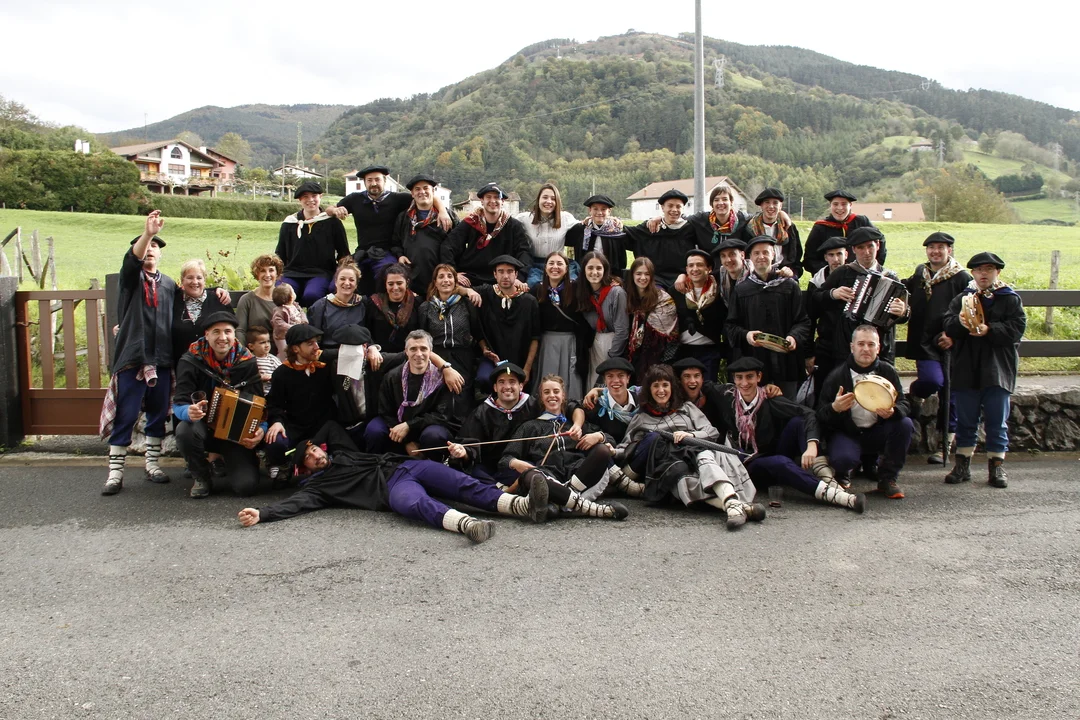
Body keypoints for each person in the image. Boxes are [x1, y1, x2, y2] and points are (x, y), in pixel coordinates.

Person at [237, 421, 550, 544]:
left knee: (461, 483)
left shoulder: (341, 450)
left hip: (407, 465)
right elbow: (296, 503)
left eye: (315, 450)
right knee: (413, 503)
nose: (316, 455)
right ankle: (468, 525)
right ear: (304, 469)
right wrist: (263, 513)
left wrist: (304, 442)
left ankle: (523, 507)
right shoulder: (320, 487)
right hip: (391, 488)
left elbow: (330, 426)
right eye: (308, 458)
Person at [609, 364, 764, 530]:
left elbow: (711, 432)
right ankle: (737, 505)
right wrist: (612, 451)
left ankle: (732, 504)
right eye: (656, 386)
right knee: (682, 482)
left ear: (672, 387)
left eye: (665, 385)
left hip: (695, 452)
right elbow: (627, 447)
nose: (661, 390)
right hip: (668, 466)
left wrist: (691, 435)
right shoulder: (641, 417)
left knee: (703, 456)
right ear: (649, 389)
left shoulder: (686, 407)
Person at [716, 357, 865, 513]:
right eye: (739, 377)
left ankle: (824, 474)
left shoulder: (769, 398)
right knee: (781, 463)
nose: (744, 383)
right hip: (749, 465)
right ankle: (840, 497)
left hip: (771, 453)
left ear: (759, 377)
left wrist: (812, 445)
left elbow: (809, 414)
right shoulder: (726, 396)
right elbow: (701, 385)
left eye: (749, 377)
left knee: (798, 421)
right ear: (734, 379)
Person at [100, 211, 176, 495]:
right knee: (127, 412)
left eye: (156, 246)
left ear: (161, 255)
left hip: (162, 358)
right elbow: (132, 261)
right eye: (147, 246)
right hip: (133, 357)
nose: (151, 249)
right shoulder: (131, 279)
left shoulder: (169, 285)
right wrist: (148, 233)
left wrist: (217, 293)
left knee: (157, 413)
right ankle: (115, 473)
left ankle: (152, 464)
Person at [942, 252, 1026, 488]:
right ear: (973, 273)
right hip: (967, 367)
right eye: (979, 270)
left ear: (997, 272)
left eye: (988, 269)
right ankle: (962, 465)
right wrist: (961, 322)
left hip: (997, 368)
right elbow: (947, 324)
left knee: (997, 421)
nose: (983, 274)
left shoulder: (1009, 299)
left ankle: (996, 467)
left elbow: (1017, 328)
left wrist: (989, 330)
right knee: (966, 420)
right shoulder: (962, 298)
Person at [499, 374, 629, 519]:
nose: (552, 395)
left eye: (556, 391)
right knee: (530, 476)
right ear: (541, 398)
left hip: (579, 472)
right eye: (546, 392)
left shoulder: (574, 425)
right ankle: (593, 509)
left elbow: (611, 441)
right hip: (549, 474)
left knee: (602, 451)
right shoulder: (530, 427)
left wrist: (598, 436)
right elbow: (505, 458)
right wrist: (515, 462)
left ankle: (562, 498)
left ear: (563, 395)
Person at [172, 311, 266, 498]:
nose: (222, 337)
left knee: (246, 487)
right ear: (206, 335)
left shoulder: (246, 362)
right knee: (185, 430)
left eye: (227, 331)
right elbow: (179, 403)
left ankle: (237, 461)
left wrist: (261, 429)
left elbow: (260, 404)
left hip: (234, 435)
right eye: (216, 332)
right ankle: (201, 475)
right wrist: (188, 411)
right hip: (204, 429)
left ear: (234, 334)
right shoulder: (191, 360)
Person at [816, 325, 914, 500]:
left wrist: (894, 411)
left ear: (878, 348)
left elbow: (905, 403)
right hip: (848, 433)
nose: (866, 349)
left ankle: (888, 478)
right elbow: (820, 414)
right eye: (861, 344)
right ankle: (843, 471)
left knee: (904, 424)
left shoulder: (887, 371)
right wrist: (834, 408)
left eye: (871, 344)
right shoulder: (837, 376)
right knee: (843, 459)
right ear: (852, 347)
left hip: (878, 431)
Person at [902, 232, 972, 463]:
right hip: (924, 342)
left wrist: (954, 335)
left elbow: (970, 311)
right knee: (932, 381)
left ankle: (945, 445)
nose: (935, 252)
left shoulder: (962, 278)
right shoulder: (920, 273)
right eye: (931, 247)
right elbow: (905, 290)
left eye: (940, 247)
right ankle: (917, 393)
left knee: (950, 394)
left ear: (949, 250)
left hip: (951, 344)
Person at [329, 165, 451, 295]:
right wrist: (335, 210)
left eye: (377, 179)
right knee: (335, 286)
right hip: (362, 252)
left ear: (385, 180)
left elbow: (425, 196)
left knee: (385, 281)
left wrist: (442, 211)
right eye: (369, 180)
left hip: (387, 253)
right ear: (364, 182)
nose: (374, 183)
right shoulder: (355, 199)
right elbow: (330, 209)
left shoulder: (397, 199)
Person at [725, 236, 810, 398]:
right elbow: (731, 326)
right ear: (749, 258)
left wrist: (794, 337)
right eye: (756, 253)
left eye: (765, 252)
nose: (761, 256)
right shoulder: (742, 290)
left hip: (786, 362)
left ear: (774, 254)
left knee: (787, 406)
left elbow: (803, 321)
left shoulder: (789, 286)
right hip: (755, 361)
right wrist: (746, 335)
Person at [815, 226, 909, 365]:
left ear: (878, 245)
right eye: (860, 247)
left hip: (881, 347)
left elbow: (904, 315)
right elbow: (816, 298)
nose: (866, 252)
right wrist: (832, 294)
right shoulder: (842, 273)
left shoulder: (891, 277)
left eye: (870, 246)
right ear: (853, 250)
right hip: (846, 346)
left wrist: (903, 311)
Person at [364, 330, 458, 457]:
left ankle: (433, 464)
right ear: (406, 351)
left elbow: (442, 416)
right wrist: (406, 441)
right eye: (413, 349)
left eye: (423, 349)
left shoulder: (442, 379)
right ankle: (375, 463)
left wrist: (410, 425)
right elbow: (385, 411)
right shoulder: (392, 377)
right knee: (374, 429)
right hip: (397, 424)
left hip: (427, 426)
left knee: (433, 435)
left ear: (430, 351)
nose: (418, 354)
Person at [455, 362, 543, 485]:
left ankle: (496, 489)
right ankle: (498, 488)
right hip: (490, 467)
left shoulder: (534, 405)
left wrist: (574, 422)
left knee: (531, 470)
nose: (507, 387)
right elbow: (469, 443)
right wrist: (464, 453)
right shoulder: (482, 412)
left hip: (518, 465)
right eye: (501, 382)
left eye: (512, 382)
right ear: (495, 387)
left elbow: (562, 408)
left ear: (521, 386)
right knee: (472, 471)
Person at [418, 263, 485, 413]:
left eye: (450, 276)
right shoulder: (425, 308)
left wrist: (485, 349)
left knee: (462, 397)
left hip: (463, 355)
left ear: (455, 281)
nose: (446, 280)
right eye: (441, 277)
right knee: (441, 398)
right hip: (437, 356)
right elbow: (422, 337)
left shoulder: (466, 304)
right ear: (435, 282)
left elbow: (477, 331)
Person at [275, 180, 350, 307]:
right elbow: (280, 253)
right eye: (305, 197)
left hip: (320, 273)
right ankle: (288, 319)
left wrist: (340, 273)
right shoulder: (289, 223)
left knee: (312, 295)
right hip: (292, 272)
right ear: (300, 200)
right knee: (282, 295)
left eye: (314, 196)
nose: (310, 200)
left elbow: (343, 253)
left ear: (320, 197)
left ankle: (313, 320)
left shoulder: (332, 223)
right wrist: (275, 274)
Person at [441, 182, 532, 288]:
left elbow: (524, 252)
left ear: (502, 201)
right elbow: (448, 246)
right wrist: (452, 272)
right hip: (471, 277)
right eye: (488, 197)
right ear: (482, 201)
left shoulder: (513, 225)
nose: (493, 201)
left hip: (502, 278)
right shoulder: (470, 222)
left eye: (496, 197)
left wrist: (519, 277)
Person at [474, 256, 541, 391]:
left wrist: (527, 369)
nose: (505, 276)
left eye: (510, 271)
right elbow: (456, 288)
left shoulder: (529, 301)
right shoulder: (486, 293)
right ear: (495, 274)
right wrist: (468, 291)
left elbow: (535, 337)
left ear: (516, 275)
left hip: (519, 360)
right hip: (493, 359)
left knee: (517, 389)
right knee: (484, 379)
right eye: (501, 271)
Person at [531, 252, 590, 399]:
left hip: (569, 342)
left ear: (566, 268)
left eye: (559, 264)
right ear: (545, 268)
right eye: (551, 263)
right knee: (547, 376)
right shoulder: (537, 290)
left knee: (569, 378)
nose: (555, 267)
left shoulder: (576, 289)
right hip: (547, 342)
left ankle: (571, 407)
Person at [390, 174, 458, 296]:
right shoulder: (404, 218)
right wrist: (400, 255)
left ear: (433, 191)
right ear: (412, 194)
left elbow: (459, 247)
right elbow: (395, 242)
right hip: (412, 279)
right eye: (417, 189)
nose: (422, 192)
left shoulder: (448, 217)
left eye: (426, 188)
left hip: (441, 281)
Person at [625, 188, 699, 289]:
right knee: (658, 296)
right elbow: (628, 233)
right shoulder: (651, 227)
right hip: (655, 279)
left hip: (682, 278)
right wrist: (614, 223)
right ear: (662, 207)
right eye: (670, 206)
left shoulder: (690, 229)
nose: (674, 210)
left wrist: (685, 275)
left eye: (678, 206)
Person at [806, 236, 851, 403]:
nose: (836, 259)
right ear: (825, 257)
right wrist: (809, 353)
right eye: (831, 255)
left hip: (849, 346)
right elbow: (809, 319)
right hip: (826, 344)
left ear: (846, 254)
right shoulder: (817, 282)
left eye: (839, 254)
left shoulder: (854, 278)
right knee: (823, 390)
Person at [670, 249, 726, 382]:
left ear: (709, 268)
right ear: (686, 269)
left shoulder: (719, 290)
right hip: (683, 350)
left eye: (699, 265)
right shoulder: (677, 290)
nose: (695, 269)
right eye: (691, 265)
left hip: (709, 351)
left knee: (708, 387)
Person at [803, 189, 886, 276]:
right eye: (835, 204)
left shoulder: (862, 222)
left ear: (850, 205)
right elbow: (810, 258)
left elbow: (880, 241)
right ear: (830, 205)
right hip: (831, 277)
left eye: (844, 204)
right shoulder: (820, 227)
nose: (839, 208)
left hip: (861, 274)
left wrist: (872, 268)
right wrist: (829, 274)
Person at [576, 251, 628, 383]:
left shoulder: (616, 293)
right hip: (594, 344)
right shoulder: (584, 293)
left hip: (614, 344)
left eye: (599, 268)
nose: (594, 272)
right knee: (593, 382)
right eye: (590, 268)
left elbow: (622, 330)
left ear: (605, 270)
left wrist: (612, 356)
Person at [170, 258, 232, 368]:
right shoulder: (173, 300)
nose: (195, 282)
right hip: (181, 366)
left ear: (204, 280)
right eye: (190, 277)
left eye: (199, 278)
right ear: (182, 280)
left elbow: (232, 331)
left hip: (215, 366)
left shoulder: (219, 299)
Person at [625, 257, 679, 380]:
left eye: (647, 274)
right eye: (638, 274)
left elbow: (672, 335)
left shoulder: (663, 299)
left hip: (659, 356)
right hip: (634, 357)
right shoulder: (629, 297)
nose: (643, 278)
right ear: (632, 275)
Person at [515, 183, 579, 286]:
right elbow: (507, 223)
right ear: (538, 199)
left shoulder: (565, 218)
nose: (549, 201)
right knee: (532, 285)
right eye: (545, 197)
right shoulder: (525, 218)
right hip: (534, 265)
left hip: (557, 264)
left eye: (553, 199)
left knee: (571, 284)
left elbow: (584, 226)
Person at [735, 188, 802, 277]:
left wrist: (793, 272)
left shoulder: (788, 227)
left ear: (780, 206)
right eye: (767, 202)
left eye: (775, 203)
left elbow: (796, 254)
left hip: (784, 271)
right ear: (761, 205)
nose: (771, 206)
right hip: (756, 272)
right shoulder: (750, 228)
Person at [308, 258, 366, 360]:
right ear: (335, 282)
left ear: (356, 284)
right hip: (329, 357)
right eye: (342, 279)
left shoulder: (363, 304)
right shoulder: (320, 306)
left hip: (358, 357)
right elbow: (313, 339)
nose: (347, 283)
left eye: (351, 280)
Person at [563, 195, 627, 278]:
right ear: (590, 210)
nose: (599, 213)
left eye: (603, 209)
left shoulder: (615, 232)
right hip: (585, 277)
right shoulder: (581, 230)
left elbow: (621, 259)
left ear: (609, 211)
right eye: (595, 209)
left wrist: (617, 277)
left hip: (609, 276)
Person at [363, 263, 421, 354]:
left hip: (409, 356)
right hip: (379, 356)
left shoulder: (417, 303)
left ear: (407, 282)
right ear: (385, 284)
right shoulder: (373, 303)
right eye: (390, 284)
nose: (395, 288)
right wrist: (372, 347)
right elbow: (366, 331)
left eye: (399, 283)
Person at [582, 358, 638, 442]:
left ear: (628, 378)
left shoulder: (641, 402)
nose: (616, 380)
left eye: (621, 375)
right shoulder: (595, 406)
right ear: (605, 380)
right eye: (610, 376)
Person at [686, 183, 747, 255]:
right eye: (716, 200)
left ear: (731, 202)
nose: (720, 203)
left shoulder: (743, 220)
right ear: (712, 203)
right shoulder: (701, 219)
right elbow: (682, 222)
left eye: (725, 199)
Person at [236, 253, 283, 346]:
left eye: (271, 270)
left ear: (277, 274)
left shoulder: (284, 298)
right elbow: (240, 330)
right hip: (254, 350)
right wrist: (243, 352)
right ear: (257, 274)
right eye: (262, 271)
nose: (267, 275)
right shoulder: (247, 300)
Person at [270, 283, 308, 359]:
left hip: (295, 333)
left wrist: (304, 321)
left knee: (295, 350)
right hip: (282, 336)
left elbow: (302, 313)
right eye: (293, 291)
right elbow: (277, 322)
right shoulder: (280, 310)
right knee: (285, 352)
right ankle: (281, 362)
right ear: (291, 297)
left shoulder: (295, 306)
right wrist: (291, 327)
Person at [245, 325, 280, 396]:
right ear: (251, 346)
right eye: (262, 342)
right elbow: (245, 377)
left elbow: (282, 374)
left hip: (271, 394)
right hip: (253, 394)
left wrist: (272, 377)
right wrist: (259, 378)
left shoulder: (273, 359)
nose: (267, 345)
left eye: (268, 341)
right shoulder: (248, 360)